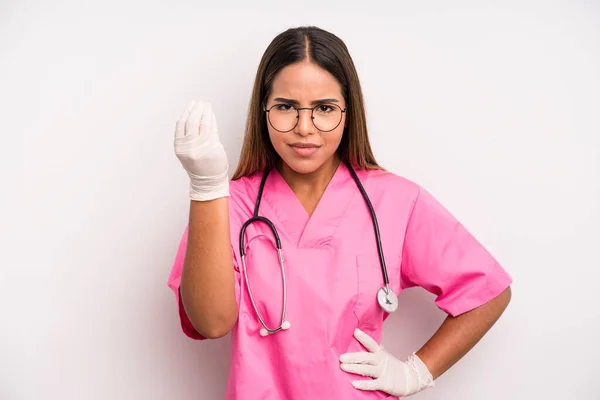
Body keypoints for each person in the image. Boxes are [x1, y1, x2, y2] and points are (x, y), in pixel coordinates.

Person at [168, 26, 512, 399]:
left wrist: (415, 372)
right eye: (285, 107)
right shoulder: (230, 205)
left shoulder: (394, 201)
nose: (304, 128)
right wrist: (206, 189)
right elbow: (211, 323)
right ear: (263, 110)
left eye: (324, 109)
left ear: (348, 112)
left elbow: (487, 292)